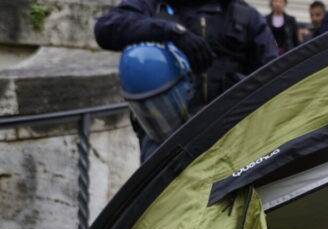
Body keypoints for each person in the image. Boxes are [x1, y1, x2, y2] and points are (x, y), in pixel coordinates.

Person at [94, 0, 276, 161]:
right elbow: (106, 28)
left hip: (232, 139)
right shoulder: (153, 5)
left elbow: (274, 78)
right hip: (167, 142)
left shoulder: (245, 16)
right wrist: (170, 31)